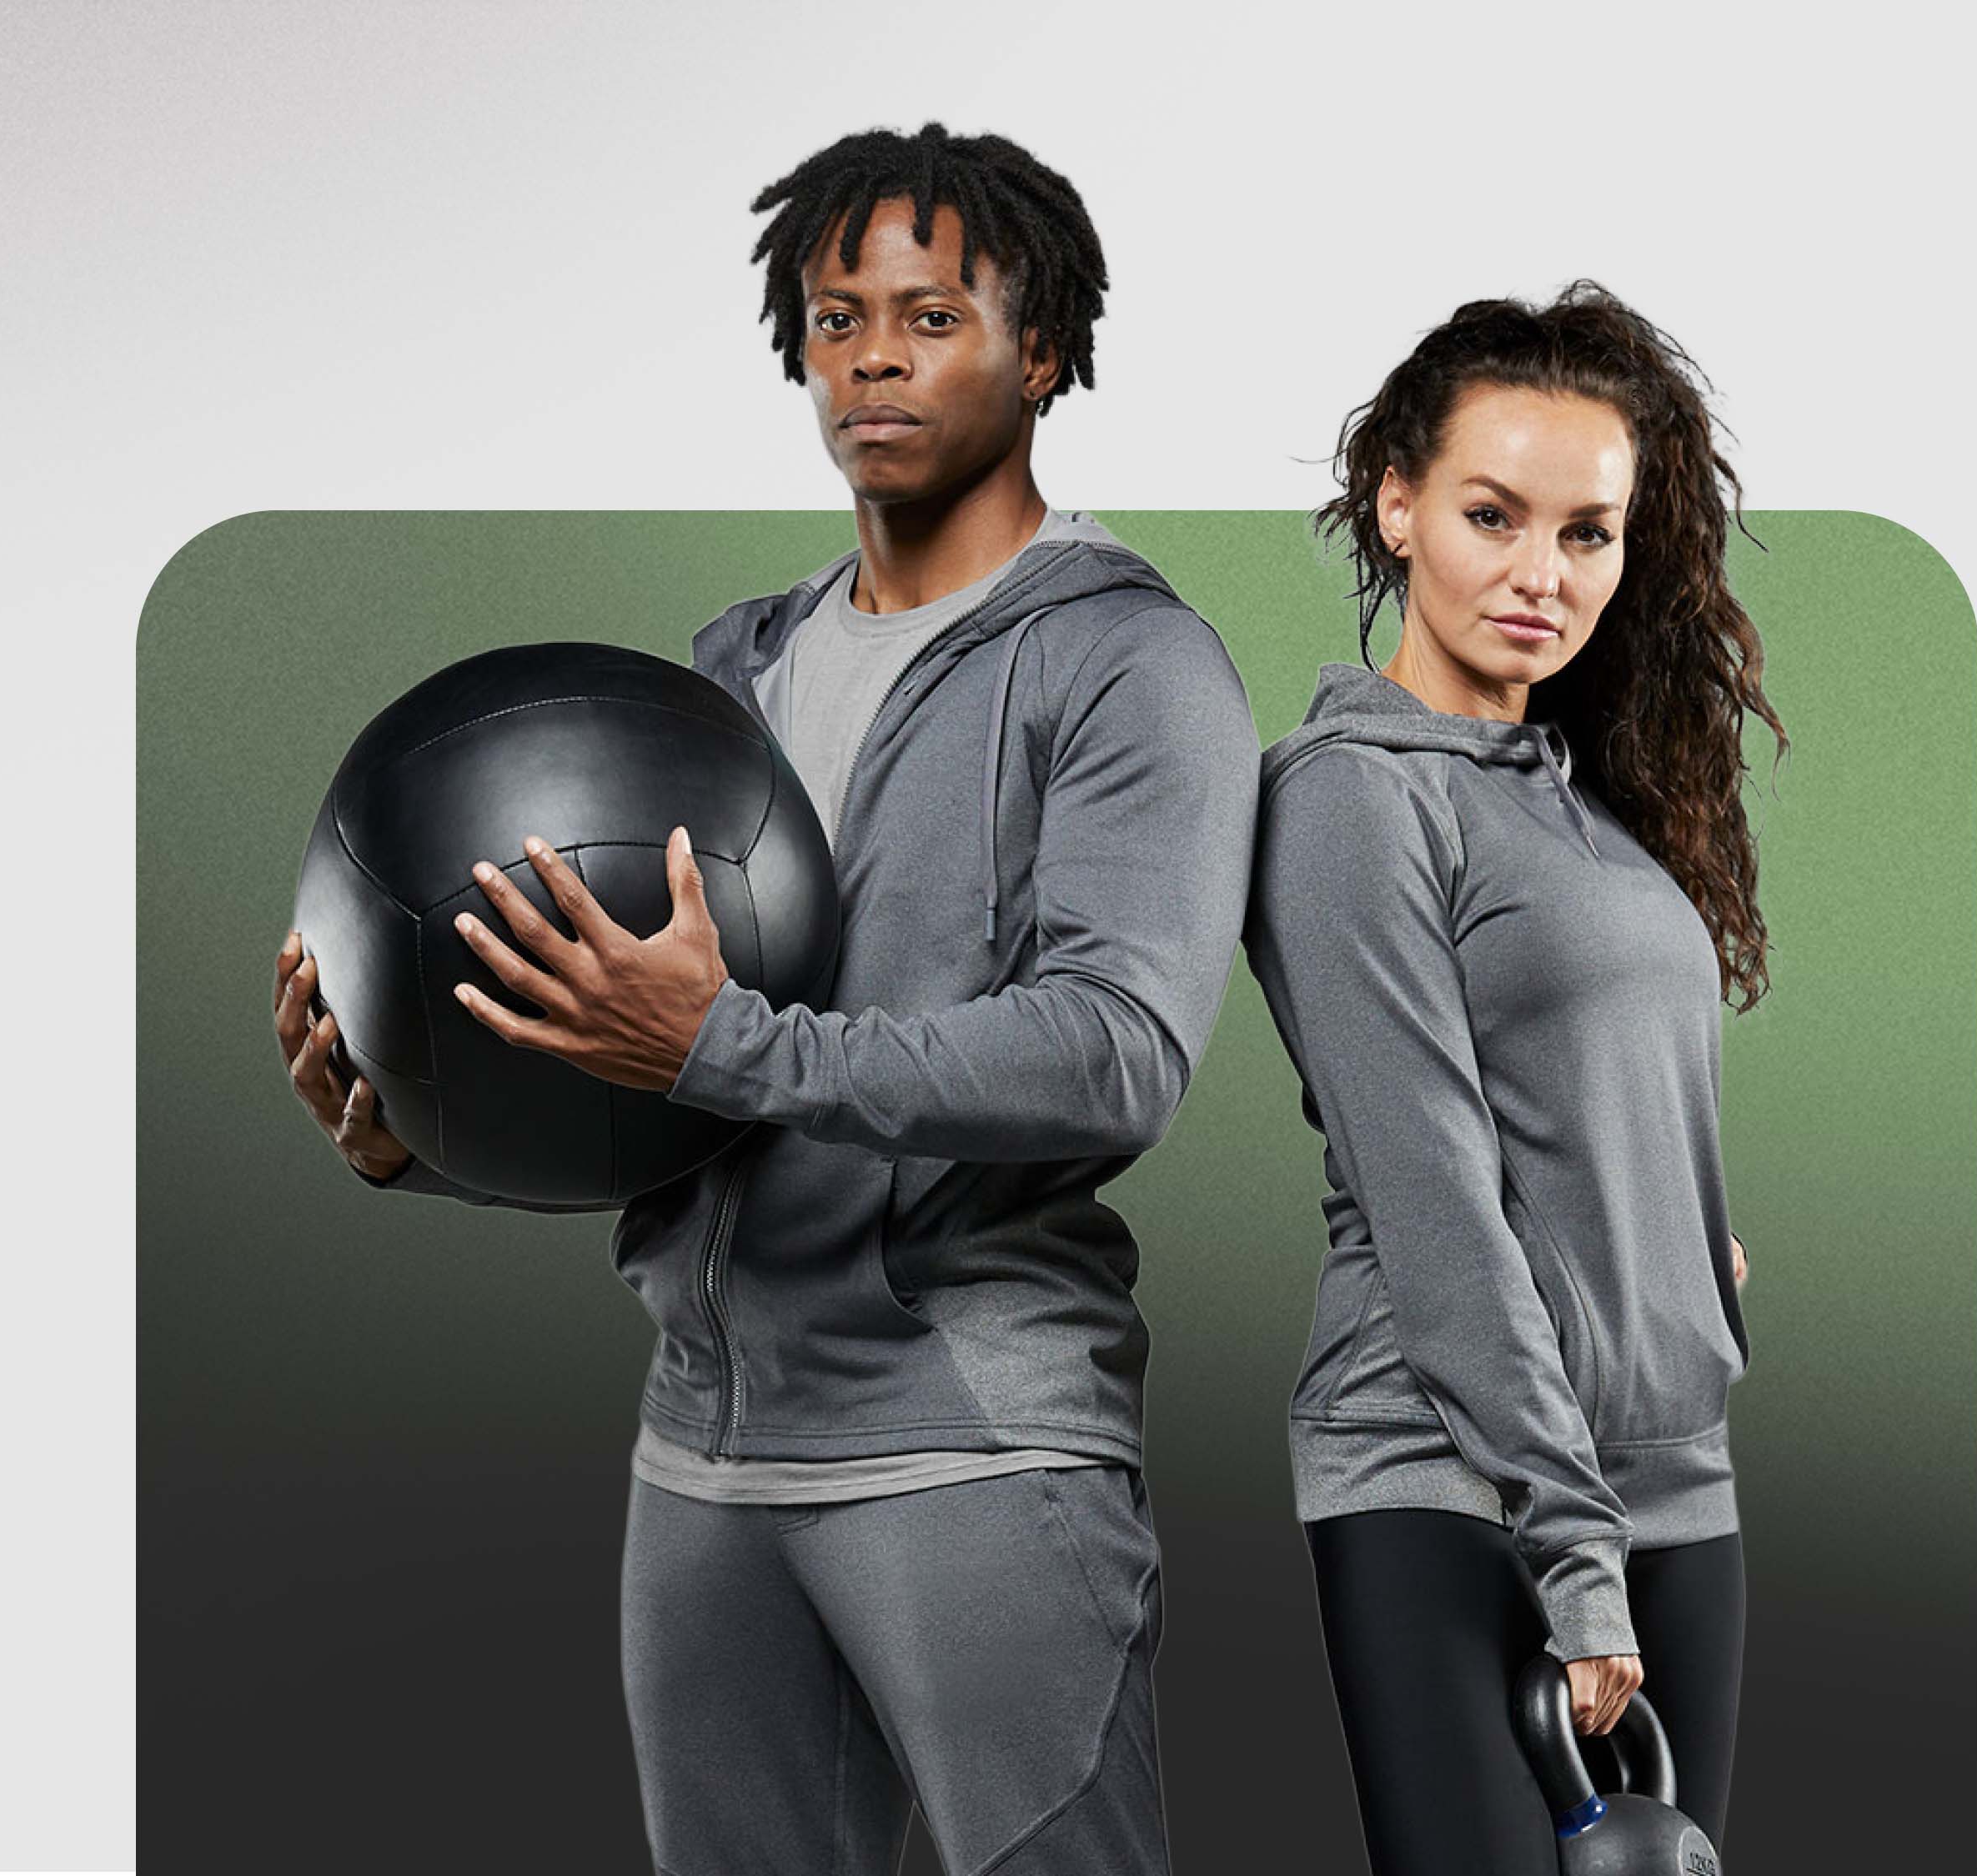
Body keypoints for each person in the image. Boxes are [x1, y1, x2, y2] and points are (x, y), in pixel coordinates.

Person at [270, 124, 1258, 1875]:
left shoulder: (1129, 662)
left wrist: (720, 1038)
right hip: (706, 1456)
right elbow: (666, 1101)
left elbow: (1121, 1053)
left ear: (1042, 355)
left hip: (974, 1455)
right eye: (833, 315)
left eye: (931, 313)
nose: (870, 353)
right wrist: (419, 1133)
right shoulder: (734, 668)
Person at [1244, 282, 1776, 1872]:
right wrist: (1577, 1555)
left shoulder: (1592, 808)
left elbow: (1618, 1109)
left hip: (1676, 1479)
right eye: (1494, 513)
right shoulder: (1349, 802)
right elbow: (1437, 1206)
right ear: (1395, 505)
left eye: (1589, 533)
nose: (1544, 575)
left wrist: (1684, 1267)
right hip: (1449, 1482)